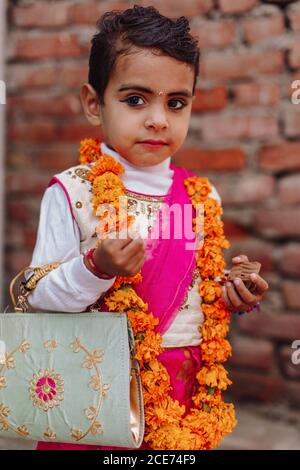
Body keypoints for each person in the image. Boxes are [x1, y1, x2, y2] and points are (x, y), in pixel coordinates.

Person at [24, 5, 268, 450]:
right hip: (97, 386)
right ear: (94, 103)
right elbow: (39, 297)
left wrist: (235, 292)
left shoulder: (201, 196)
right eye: (135, 99)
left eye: (176, 103)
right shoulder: (72, 192)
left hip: (184, 386)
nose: (158, 119)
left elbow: (199, 294)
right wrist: (95, 268)